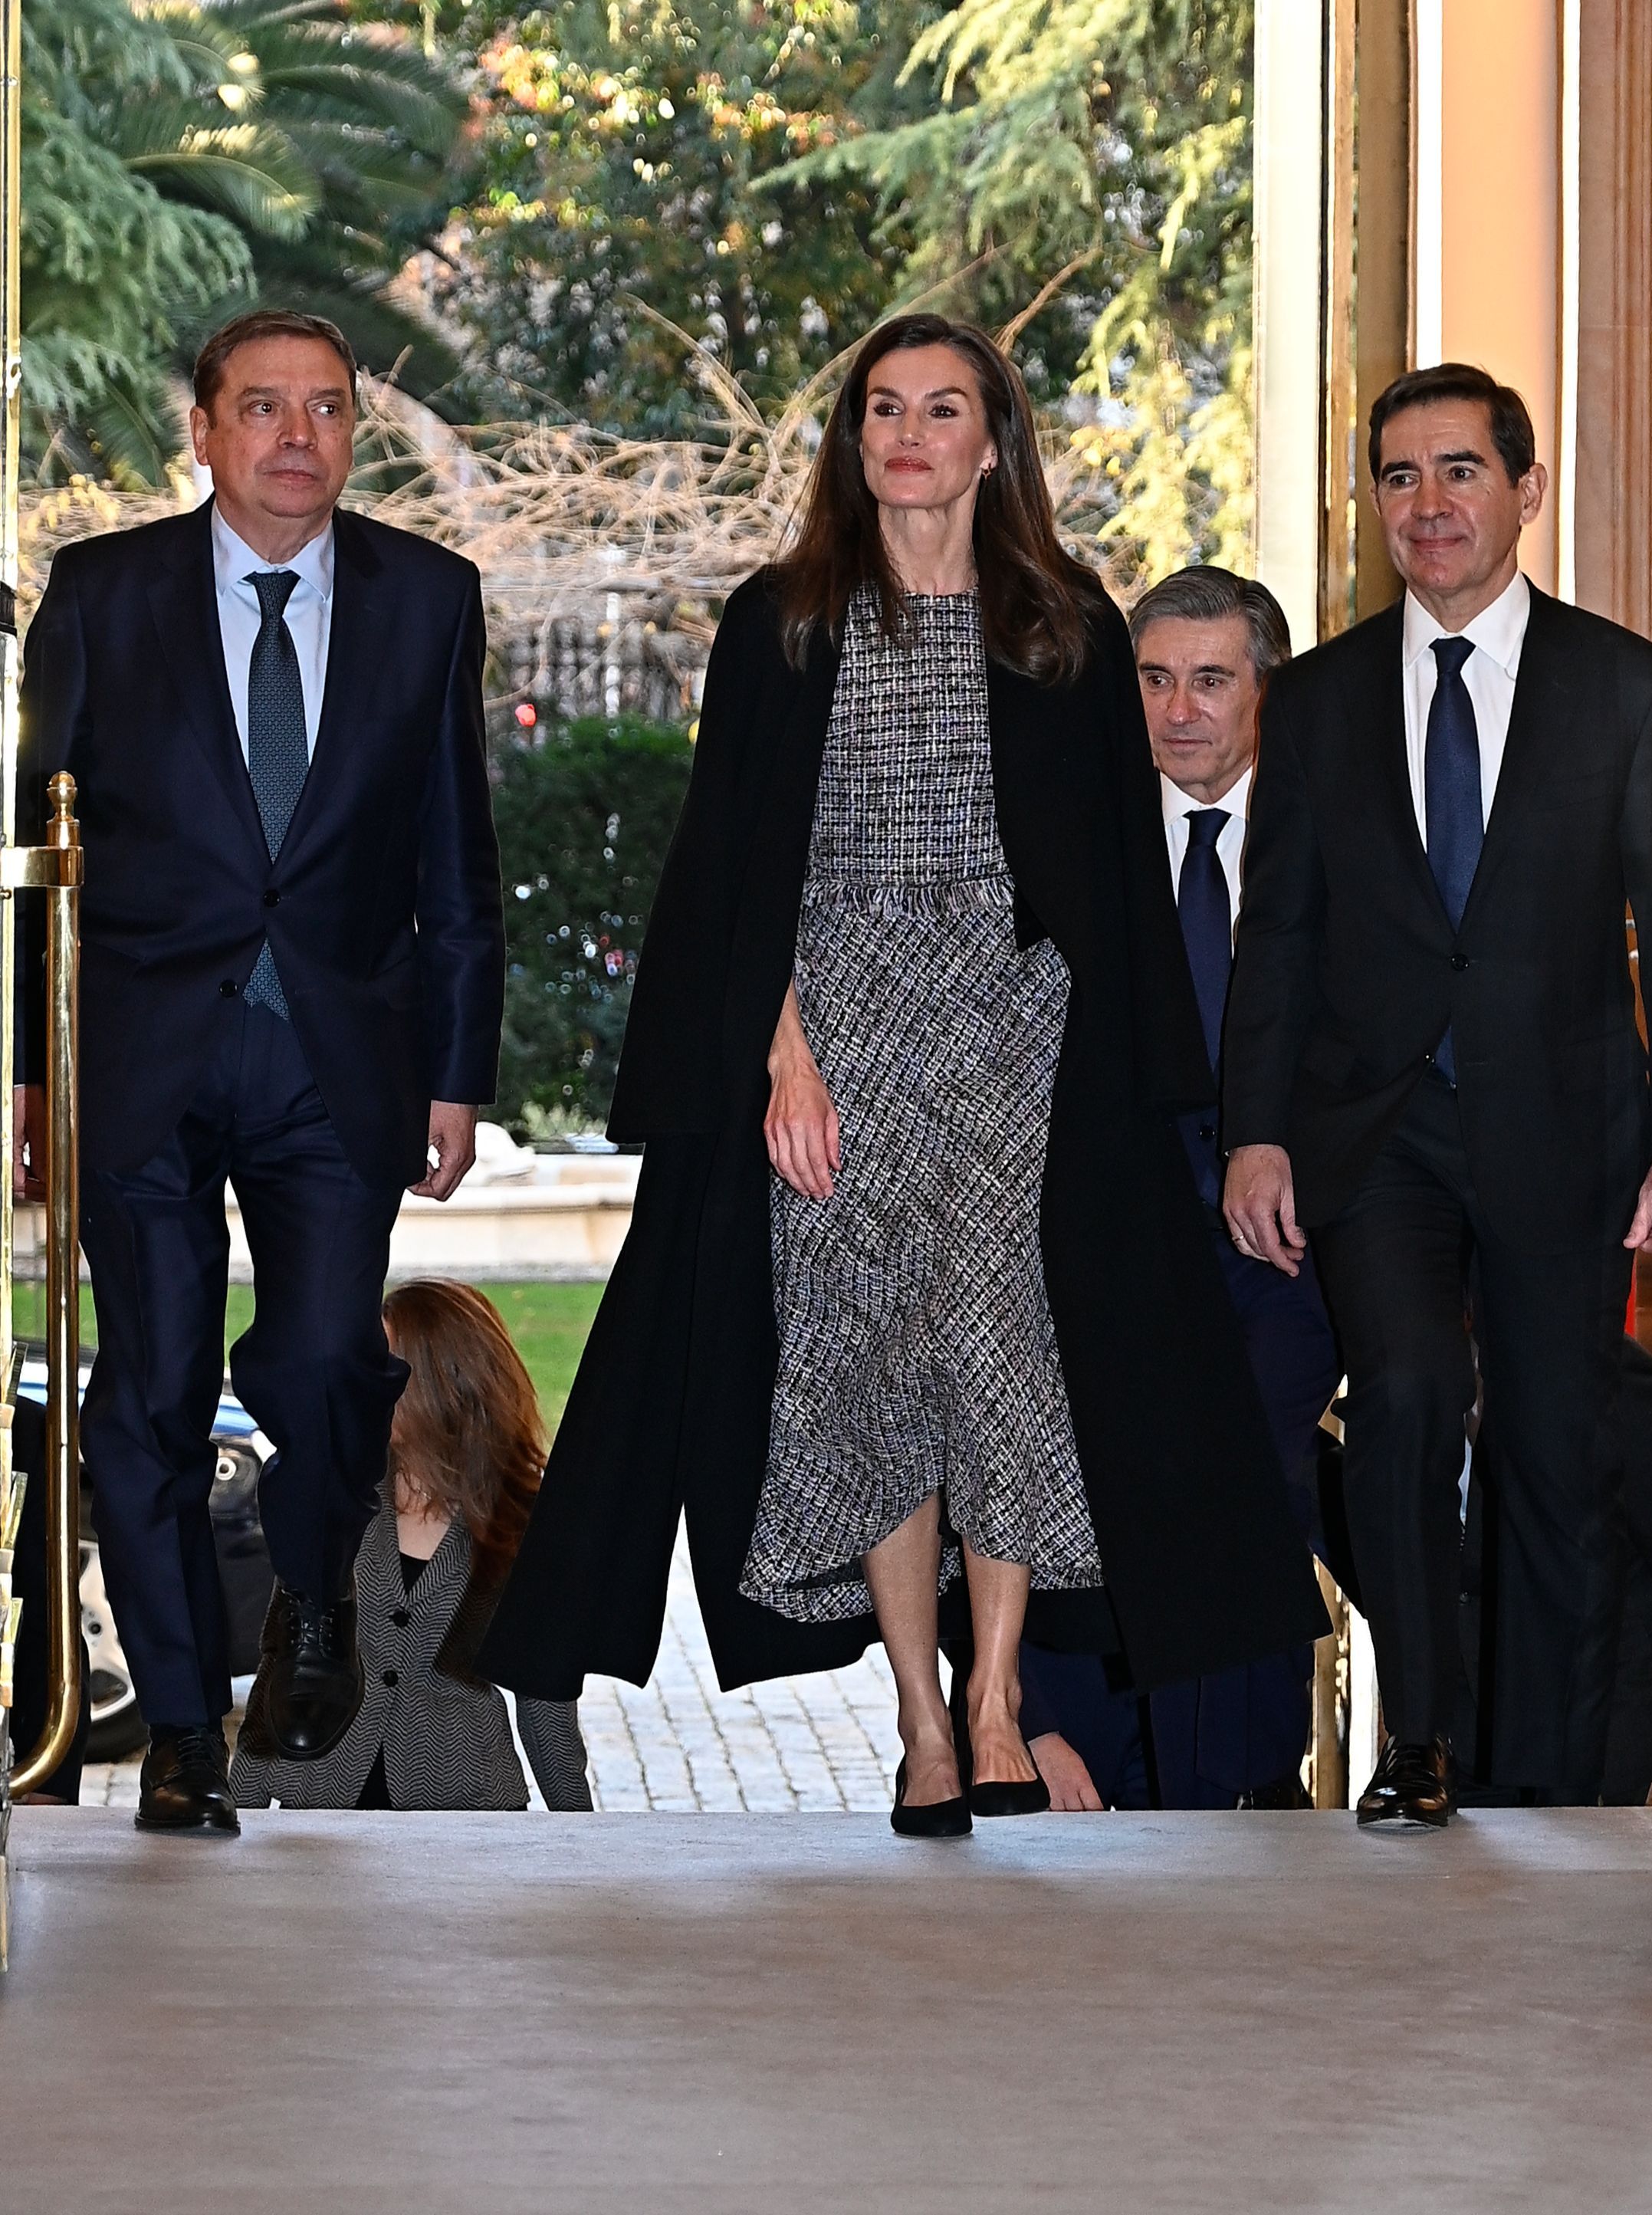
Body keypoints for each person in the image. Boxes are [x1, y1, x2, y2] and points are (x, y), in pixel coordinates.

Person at [479, 314, 1329, 1836]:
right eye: (884, 407)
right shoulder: (783, 621)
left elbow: (1107, 885)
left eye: (943, 407)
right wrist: (777, 1056)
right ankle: (922, 1720)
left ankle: (1000, 1699)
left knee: (1003, 1351)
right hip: (833, 1038)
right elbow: (735, 874)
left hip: (1018, 1035)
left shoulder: (1062, 622)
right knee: (869, 1362)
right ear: (854, 438)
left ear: (991, 439)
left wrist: (1109, 1086)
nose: (911, 433)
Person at [16, 309, 504, 1836]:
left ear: (355, 431)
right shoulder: (102, 593)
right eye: (263, 408)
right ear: (207, 433)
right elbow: (49, 860)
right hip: (144, 1051)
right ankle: (174, 1724)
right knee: (149, 1392)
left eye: (328, 409)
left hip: (334, 1054)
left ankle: (308, 1598)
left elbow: (454, 849)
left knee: (315, 1365)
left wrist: (457, 1067)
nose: (298, 437)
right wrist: (38, 1078)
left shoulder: (429, 598)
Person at [1222, 363, 1652, 1824]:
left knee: (1560, 1434)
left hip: (1568, 1128)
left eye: (1457, 472)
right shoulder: (1309, 703)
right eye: (1398, 477)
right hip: (1377, 1129)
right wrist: (1257, 1130)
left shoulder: (1626, 688)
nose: (1427, 504)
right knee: (1411, 1390)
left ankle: (1558, 1763)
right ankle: (1419, 1735)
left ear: (1524, 490)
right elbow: (1281, 934)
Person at [1018, 566, 1339, 1812]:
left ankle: (1230, 1793)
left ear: (1268, 690)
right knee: (1080, 1495)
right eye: (1154, 679)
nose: (1180, 709)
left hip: (1281, 1250)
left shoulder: (1333, 838)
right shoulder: (1072, 845)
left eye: (1212, 679)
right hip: (1102, 1237)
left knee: (1248, 1504)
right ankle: (1076, 1763)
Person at [234, 1283, 592, 1812]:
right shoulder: (336, 1493)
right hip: (322, 1813)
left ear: (439, 1380)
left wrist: (584, 1842)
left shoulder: (528, 1521)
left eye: (382, 1364)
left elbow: (545, 1704)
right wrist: (238, 1807)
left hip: (464, 1816)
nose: (364, 1382)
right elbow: (283, 1660)